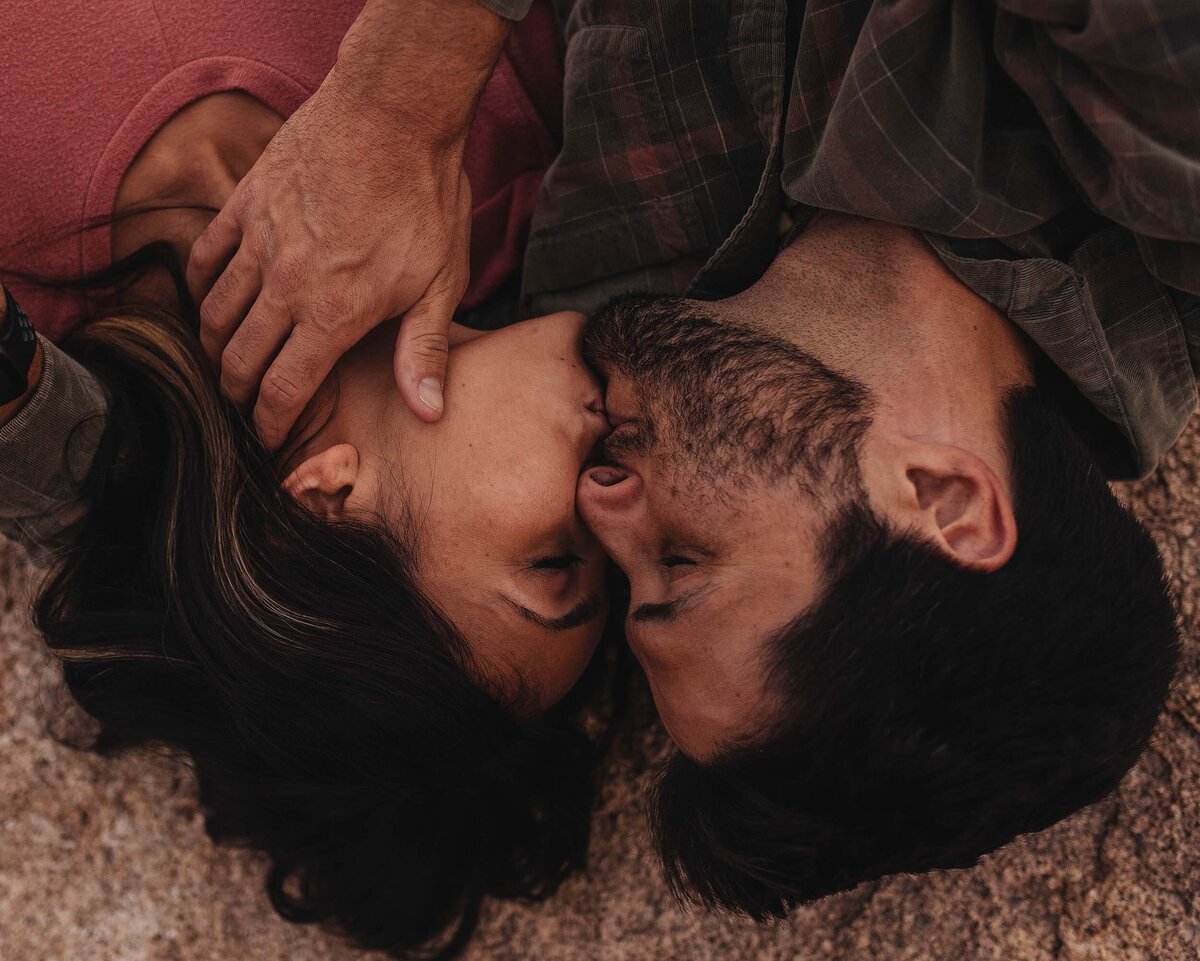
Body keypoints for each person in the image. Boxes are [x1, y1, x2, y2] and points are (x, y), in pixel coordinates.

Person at [0, 2, 612, 958]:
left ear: (330, 504)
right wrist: (407, 104)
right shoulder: (520, 155)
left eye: (556, 564)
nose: (617, 505)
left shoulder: (25, 279)